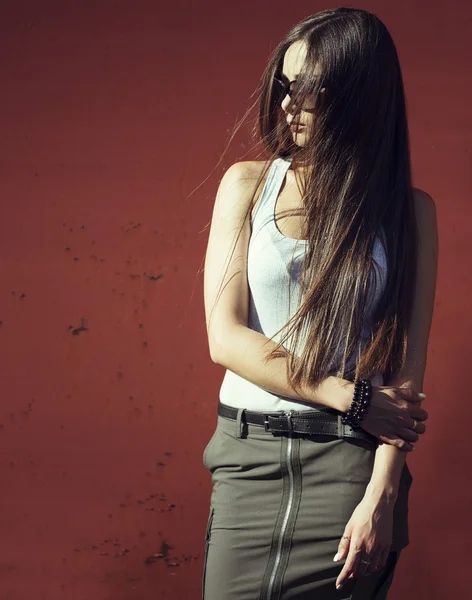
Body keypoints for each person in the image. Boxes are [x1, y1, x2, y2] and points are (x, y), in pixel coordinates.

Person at [201, 7, 438, 600]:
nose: (288, 104)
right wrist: (348, 394)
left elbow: (404, 378)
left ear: (360, 94)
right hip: (246, 458)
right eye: (284, 85)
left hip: (351, 470)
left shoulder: (409, 213)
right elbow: (225, 337)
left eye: (308, 88)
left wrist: (382, 497)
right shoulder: (247, 185)